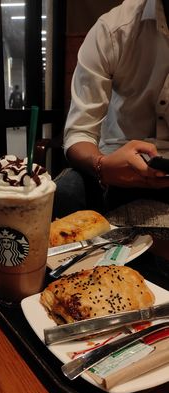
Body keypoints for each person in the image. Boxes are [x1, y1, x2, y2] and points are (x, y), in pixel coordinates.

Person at [53, 0, 169, 264]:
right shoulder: (113, 29)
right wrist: (101, 165)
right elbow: (79, 132)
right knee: (65, 192)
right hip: (114, 166)